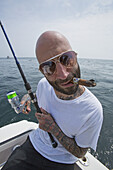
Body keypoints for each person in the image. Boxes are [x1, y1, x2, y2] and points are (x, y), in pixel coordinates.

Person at [2, 31, 103, 170]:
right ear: (43, 72)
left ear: (76, 57)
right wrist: (27, 98)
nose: (63, 75)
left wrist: (53, 128)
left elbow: (80, 153)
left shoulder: (92, 110)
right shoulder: (43, 84)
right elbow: (38, 96)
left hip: (62, 162)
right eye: (49, 67)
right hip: (34, 144)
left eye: (67, 59)